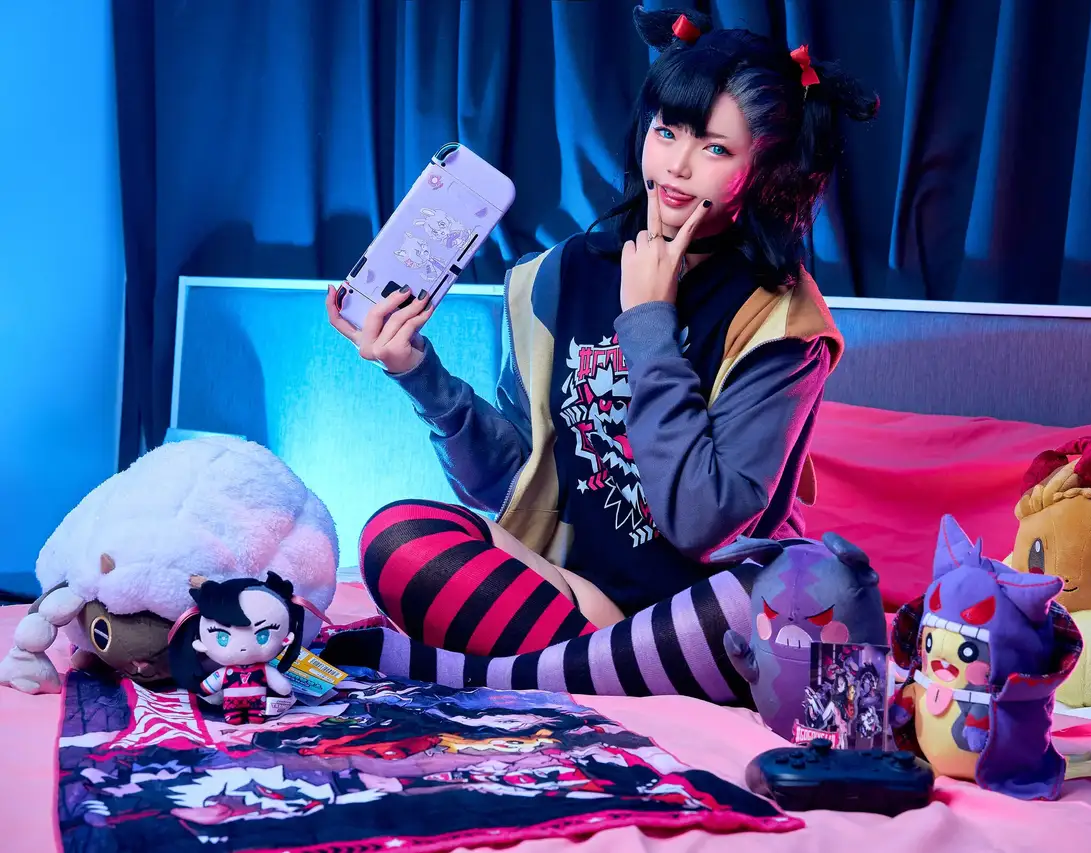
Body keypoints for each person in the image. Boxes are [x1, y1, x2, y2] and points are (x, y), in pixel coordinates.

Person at [321, 7, 878, 703]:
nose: (676, 165)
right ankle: (596, 668)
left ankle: (474, 673)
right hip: (579, 599)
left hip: (705, 612)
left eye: (714, 149)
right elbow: (516, 482)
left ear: (765, 169)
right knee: (396, 535)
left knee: (789, 591)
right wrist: (417, 373)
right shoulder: (560, 275)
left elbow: (701, 524)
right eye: (666, 131)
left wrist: (648, 321)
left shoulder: (782, 320)